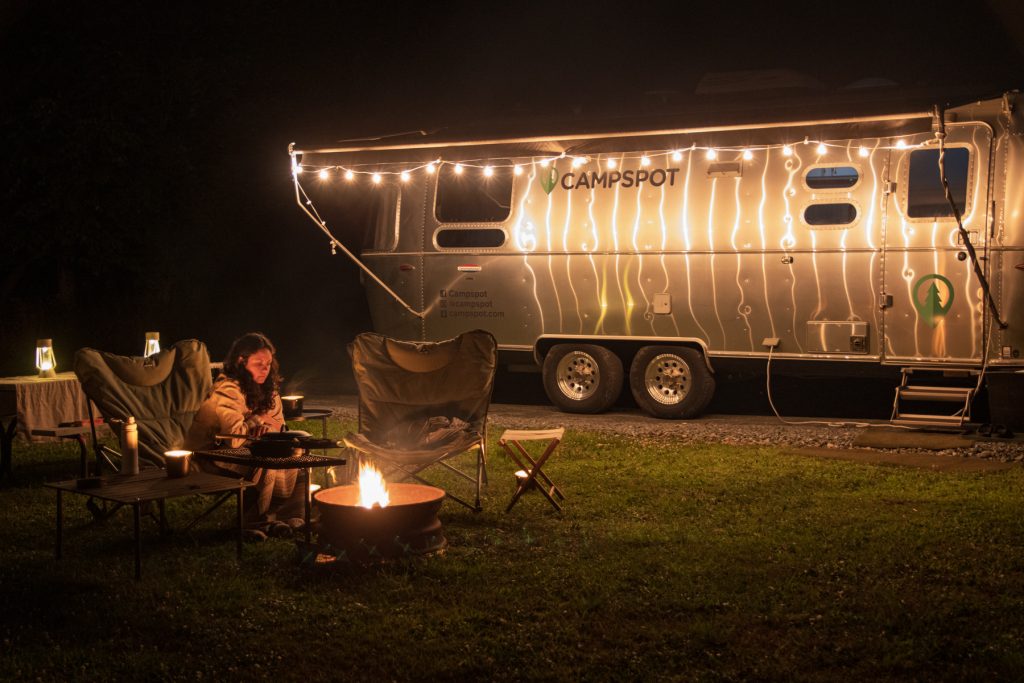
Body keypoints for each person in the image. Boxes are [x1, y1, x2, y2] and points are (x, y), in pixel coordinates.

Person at [185, 332, 304, 541]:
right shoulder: (228, 389)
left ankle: (287, 516)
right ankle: (252, 523)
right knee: (264, 461)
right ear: (241, 361)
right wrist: (256, 420)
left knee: (294, 453)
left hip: (245, 449)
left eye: (268, 363)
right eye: (259, 363)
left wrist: (267, 429)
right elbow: (234, 438)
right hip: (210, 455)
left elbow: (279, 426)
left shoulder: (268, 390)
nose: (265, 368)